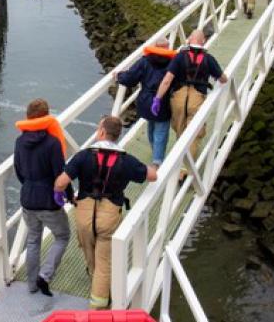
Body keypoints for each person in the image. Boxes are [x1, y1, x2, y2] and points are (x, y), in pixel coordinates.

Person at [53, 116, 158, 309]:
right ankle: (99, 305)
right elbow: (152, 176)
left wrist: (60, 195)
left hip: (84, 213)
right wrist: (150, 166)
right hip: (109, 215)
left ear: (101, 132)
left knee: (88, 250)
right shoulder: (126, 160)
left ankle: (94, 276)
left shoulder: (83, 156)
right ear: (117, 136)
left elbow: (60, 183)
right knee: (104, 261)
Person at [14, 99, 73, 297]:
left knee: (32, 240)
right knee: (62, 236)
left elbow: (19, 171)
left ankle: (31, 285)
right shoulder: (52, 143)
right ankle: (45, 275)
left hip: (28, 198)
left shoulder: (20, 141)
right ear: (47, 117)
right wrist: (70, 195)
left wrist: (30, 185)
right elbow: (61, 174)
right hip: (48, 200)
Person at [153, 30, 228, 158]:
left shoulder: (180, 57)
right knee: (194, 132)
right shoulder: (208, 59)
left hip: (178, 98)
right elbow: (223, 79)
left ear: (189, 39)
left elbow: (167, 80)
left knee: (180, 128)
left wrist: (157, 99)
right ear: (203, 41)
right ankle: (184, 168)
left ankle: (180, 155)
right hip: (197, 98)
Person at [115, 39, 175, 166]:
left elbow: (129, 78)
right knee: (161, 130)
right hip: (163, 101)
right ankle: (157, 160)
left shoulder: (145, 61)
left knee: (151, 125)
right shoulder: (173, 63)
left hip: (145, 100)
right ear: (167, 47)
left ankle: (155, 151)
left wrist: (118, 76)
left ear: (156, 47)